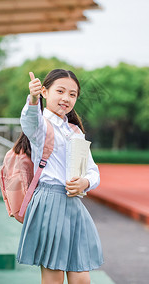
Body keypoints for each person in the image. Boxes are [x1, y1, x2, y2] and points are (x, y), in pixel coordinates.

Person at [15, 69, 103, 284]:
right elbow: (29, 120)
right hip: (49, 203)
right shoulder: (41, 126)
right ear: (45, 92)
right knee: (54, 278)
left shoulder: (75, 131)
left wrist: (86, 182)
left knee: (82, 278)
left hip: (74, 204)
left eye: (72, 94)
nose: (66, 98)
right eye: (60, 91)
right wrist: (33, 98)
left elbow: (92, 170)